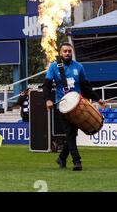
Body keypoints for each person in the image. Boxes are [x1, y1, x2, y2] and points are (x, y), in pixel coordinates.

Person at [43, 43, 106, 171]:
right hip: (62, 106)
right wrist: (48, 100)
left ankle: (61, 158)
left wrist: (97, 99)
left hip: (78, 106)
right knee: (71, 133)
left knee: (71, 135)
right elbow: (46, 86)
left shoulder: (79, 67)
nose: (67, 53)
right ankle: (77, 161)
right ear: (60, 53)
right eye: (65, 51)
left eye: (69, 51)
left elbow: (86, 86)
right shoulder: (54, 67)